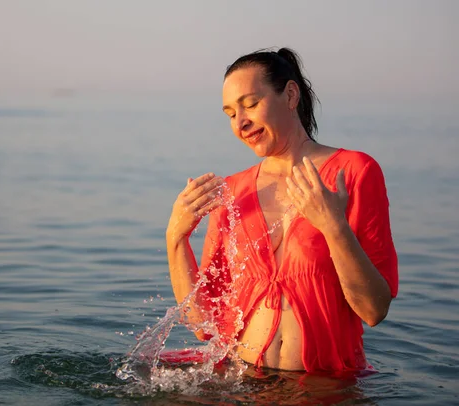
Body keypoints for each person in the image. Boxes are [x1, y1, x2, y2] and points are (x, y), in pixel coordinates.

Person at [165, 47, 398, 372]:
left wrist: (334, 227)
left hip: (325, 387)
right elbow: (205, 323)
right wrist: (176, 237)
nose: (241, 123)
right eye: (230, 114)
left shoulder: (353, 172)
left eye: (250, 104)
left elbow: (374, 310)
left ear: (290, 95)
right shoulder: (232, 193)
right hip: (243, 384)